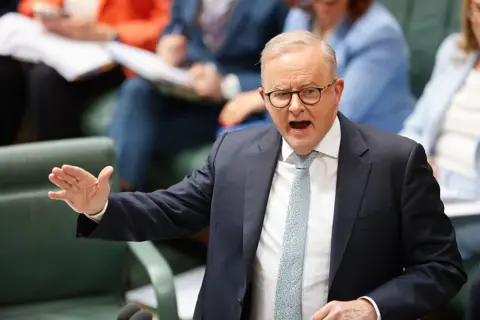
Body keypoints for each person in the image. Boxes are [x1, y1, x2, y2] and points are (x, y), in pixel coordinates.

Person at [48, 31, 466, 320]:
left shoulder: (396, 162)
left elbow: (441, 267)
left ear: (337, 91)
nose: (295, 107)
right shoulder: (236, 152)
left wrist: (371, 308)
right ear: (264, 97)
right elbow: (172, 209)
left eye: (310, 91)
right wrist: (98, 206)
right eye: (281, 94)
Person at [108, 0, 289, 191]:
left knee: (135, 134)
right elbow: (176, 27)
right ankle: (115, 192)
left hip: (230, 107)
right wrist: (170, 43)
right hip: (185, 89)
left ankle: (116, 199)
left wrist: (227, 85)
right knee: (135, 90)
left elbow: (285, 76)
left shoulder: (275, 5)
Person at [219, 0, 415, 134]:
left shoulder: (379, 33)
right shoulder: (300, 16)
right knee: (230, 142)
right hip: (299, 130)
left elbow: (339, 111)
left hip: (361, 142)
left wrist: (262, 99)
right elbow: (281, 75)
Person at [0, 0, 170, 145]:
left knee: (47, 78)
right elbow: (31, 4)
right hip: (60, 38)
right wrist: (45, 10)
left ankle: (57, 175)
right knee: (5, 68)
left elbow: (169, 26)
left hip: (117, 52)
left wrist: (110, 32)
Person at [400, 0, 480, 261]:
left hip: (472, 204)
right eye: (479, 9)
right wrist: (418, 160)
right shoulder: (454, 51)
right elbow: (416, 125)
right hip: (429, 182)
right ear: (468, 11)